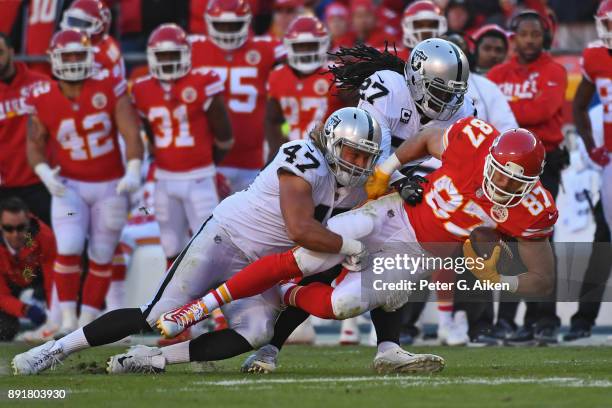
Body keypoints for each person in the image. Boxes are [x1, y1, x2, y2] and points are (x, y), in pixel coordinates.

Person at [12, 107, 432, 377]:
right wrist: (354, 249)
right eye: (352, 154)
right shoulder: (303, 157)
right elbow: (302, 229)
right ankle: (54, 350)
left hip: (264, 266)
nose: (358, 164)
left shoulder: (362, 178)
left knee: (253, 332)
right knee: (157, 315)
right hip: (226, 238)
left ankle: (154, 359)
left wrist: (406, 184)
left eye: (366, 156)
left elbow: (394, 193)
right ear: (333, 144)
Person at [148, 117, 557, 372]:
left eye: (513, 182)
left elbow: (543, 280)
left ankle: (287, 296)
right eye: (499, 173)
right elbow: (430, 135)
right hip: (392, 212)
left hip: (416, 255)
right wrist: (387, 171)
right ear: (491, 158)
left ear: (532, 183)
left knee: (340, 306)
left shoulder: (535, 209)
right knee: (306, 257)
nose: (501, 185)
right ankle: (195, 310)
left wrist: (497, 280)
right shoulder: (474, 140)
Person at [24, 29, 144, 336]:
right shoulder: (42, 96)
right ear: (54, 59)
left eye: (80, 54)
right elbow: (34, 142)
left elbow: (131, 132)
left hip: (110, 185)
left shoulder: (109, 86)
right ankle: (65, 321)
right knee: (69, 246)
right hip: (70, 186)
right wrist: (43, 172)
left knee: (102, 254)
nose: (75, 61)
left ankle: (86, 323)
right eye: (68, 55)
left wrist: (132, 169)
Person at [487, 9, 568, 344]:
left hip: (544, 163)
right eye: (524, 34)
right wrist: (514, 112)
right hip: (505, 167)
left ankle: (544, 319)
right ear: (514, 37)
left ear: (545, 36)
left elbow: (542, 111)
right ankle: (506, 321)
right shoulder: (497, 73)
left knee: (539, 239)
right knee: (507, 242)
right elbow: (495, 116)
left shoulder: (555, 69)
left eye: (536, 34)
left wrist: (507, 110)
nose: (531, 40)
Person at [131, 23, 233, 266]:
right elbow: (150, 135)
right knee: (170, 247)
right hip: (165, 179)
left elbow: (225, 137)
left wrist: (207, 165)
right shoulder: (142, 88)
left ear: (186, 54)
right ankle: (172, 302)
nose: (167, 61)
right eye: (162, 55)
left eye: (173, 55)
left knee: (208, 246)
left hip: (199, 178)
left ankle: (211, 302)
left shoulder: (203, 81)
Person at [191, 0, 286, 192]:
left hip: (254, 160)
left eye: (234, 25)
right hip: (208, 161)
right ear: (209, 23)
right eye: (221, 25)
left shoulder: (267, 48)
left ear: (247, 21)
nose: (227, 31)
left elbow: (304, 61)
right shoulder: (191, 48)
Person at [565, 0, 612, 341]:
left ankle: (583, 318)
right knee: (603, 242)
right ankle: (583, 318)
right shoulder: (595, 57)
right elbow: (579, 105)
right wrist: (591, 143)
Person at [0, 32, 52, 226]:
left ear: (12, 52)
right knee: (17, 244)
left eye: (0, 52)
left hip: (41, 185)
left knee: (59, 238)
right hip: (5, 190)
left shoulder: (42, 84)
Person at [0, 197, 55, 341]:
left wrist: (54, 318)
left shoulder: (45, 236)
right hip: (9, 282)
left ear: (28, 223)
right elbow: (1, 294)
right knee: (4, 329)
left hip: (37, 276)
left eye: (20, 228)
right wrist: (26, 310)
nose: (15, 235)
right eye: (8, 228)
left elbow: (53, 282)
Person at [60, 0, 126, 80]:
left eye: (81, 23)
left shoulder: (94, 55)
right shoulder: (108, 41)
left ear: (100, 27)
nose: (72, 28)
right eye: (72, 21)